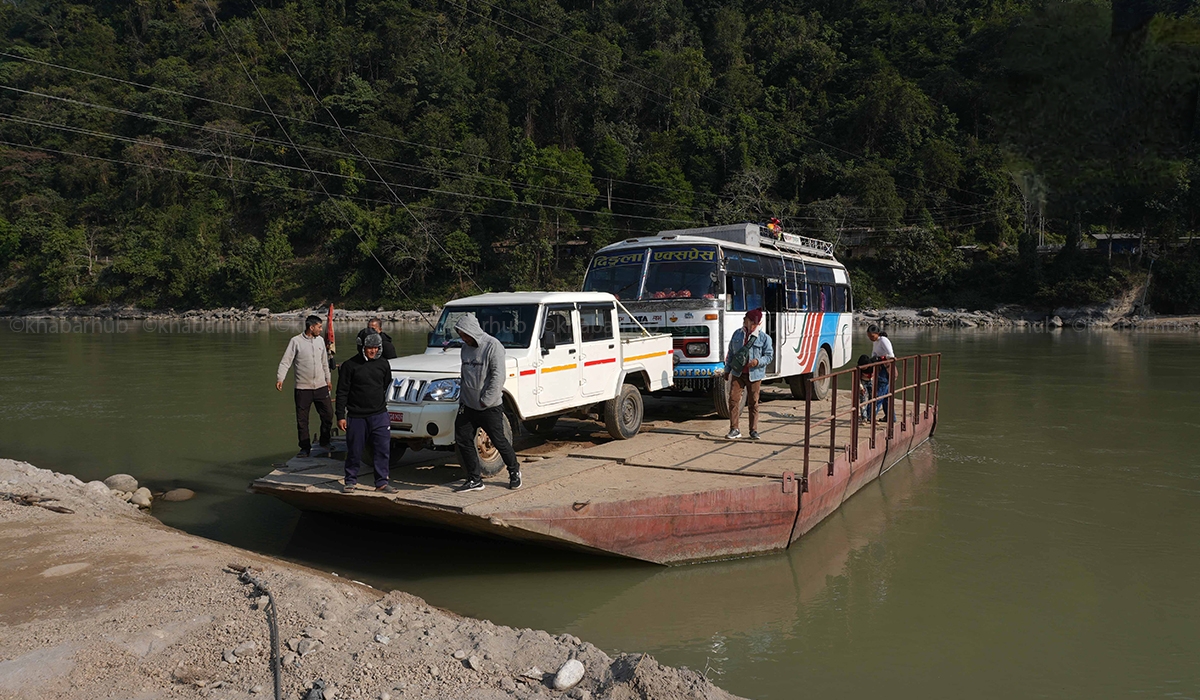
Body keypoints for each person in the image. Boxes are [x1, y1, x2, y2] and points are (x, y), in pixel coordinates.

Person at [453, 313, 521, 492]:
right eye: (460, 335)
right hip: (467, 405)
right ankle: (474, 479)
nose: (463, 338)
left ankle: (514, 471)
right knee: (463, 439)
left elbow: (498, 377)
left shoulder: (493, 346)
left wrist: (486, 401)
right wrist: (462, 399)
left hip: (488, 406)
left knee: (499, 440)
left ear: (472, 331)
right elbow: (465, 375)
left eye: (465, 334)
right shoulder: (464, 348)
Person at [335, 333, 396, 494]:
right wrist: (340, 416)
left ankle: (382, 482)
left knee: (382, 449)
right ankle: (350, 481)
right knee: (355, 450)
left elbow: (385, 384)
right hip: (356, 416)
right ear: (361, 347)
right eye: (369, 348)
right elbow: (342, 392)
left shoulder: (383, 364)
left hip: (379, 414)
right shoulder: (349, 366)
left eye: (376, 347)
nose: (373, 351)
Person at [277, 315, 333, 458]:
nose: (321, 329)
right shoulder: (296, 341)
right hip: (303, 388)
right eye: (319, 327)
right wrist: (280, 378)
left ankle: (325, 441)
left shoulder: (320, 341)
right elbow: (286, 362)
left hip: (321, 386)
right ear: (311, 327)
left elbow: (324, 362)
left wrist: (328, 379)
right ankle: (304, 447)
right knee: (302, 420)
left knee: (328, 415)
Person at [723, 308, 774, 440]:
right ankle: (734, 429)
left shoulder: (764, 338)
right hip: (738, 373)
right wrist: (727, 370)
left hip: (755, 375)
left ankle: (753, 430)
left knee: (753, 402)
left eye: (755, 324)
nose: (752, 326)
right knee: (733, 400)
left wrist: (757, 362)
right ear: (746, 320)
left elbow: (769, 356)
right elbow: (731, 354)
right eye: (750, 322)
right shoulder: (737, 335)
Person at [866, 324, 895, 420]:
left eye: (872, 336)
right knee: (886, 395)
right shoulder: (876, 342)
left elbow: (891, 355)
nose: (870, 338)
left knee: (878, 394)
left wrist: (881, 358)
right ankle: (890, 417)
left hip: (885, 369)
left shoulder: (883, 340)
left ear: (877, 334)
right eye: (869, 336)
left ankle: (870, 415)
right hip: (879, 368)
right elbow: (874, 353)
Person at [856, 354, 875, 421]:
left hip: (872, 380)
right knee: (863, 399)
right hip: (863, 382)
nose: (863, 368)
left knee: (873, 398)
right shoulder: (859, 368)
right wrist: (861, 388)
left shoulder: (873, 364)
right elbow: (857, 379)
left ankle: (871, 417)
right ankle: (864, 417)